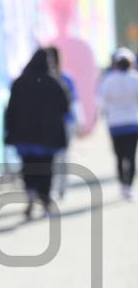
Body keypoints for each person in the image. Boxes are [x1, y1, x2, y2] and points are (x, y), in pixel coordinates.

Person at [5, 48, 70, 218]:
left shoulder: (19, 82)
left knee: (28, 167)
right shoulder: (54, 82)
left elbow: (10, 110)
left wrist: (10, 132)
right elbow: (65, 107)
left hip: (24, 137)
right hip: (48, 137)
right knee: (46, 169)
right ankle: (45, 199)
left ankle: (31, 194)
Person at [98, 47, 138, 200]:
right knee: (131, 156)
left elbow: (102, 102)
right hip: (133, 122)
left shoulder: (108, 80)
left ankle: (122, 184)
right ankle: (129, 186)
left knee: (119, 156)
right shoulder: (135, 79)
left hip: (115, 124)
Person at [46, 45, 81, 199]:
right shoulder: (44, 77)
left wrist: (79, 121)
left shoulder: (66, 77)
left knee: (62, 156)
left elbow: (74, 101)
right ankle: (53, 187)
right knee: (52, 156)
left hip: (66, 122)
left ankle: (62, 187)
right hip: (50, 123)